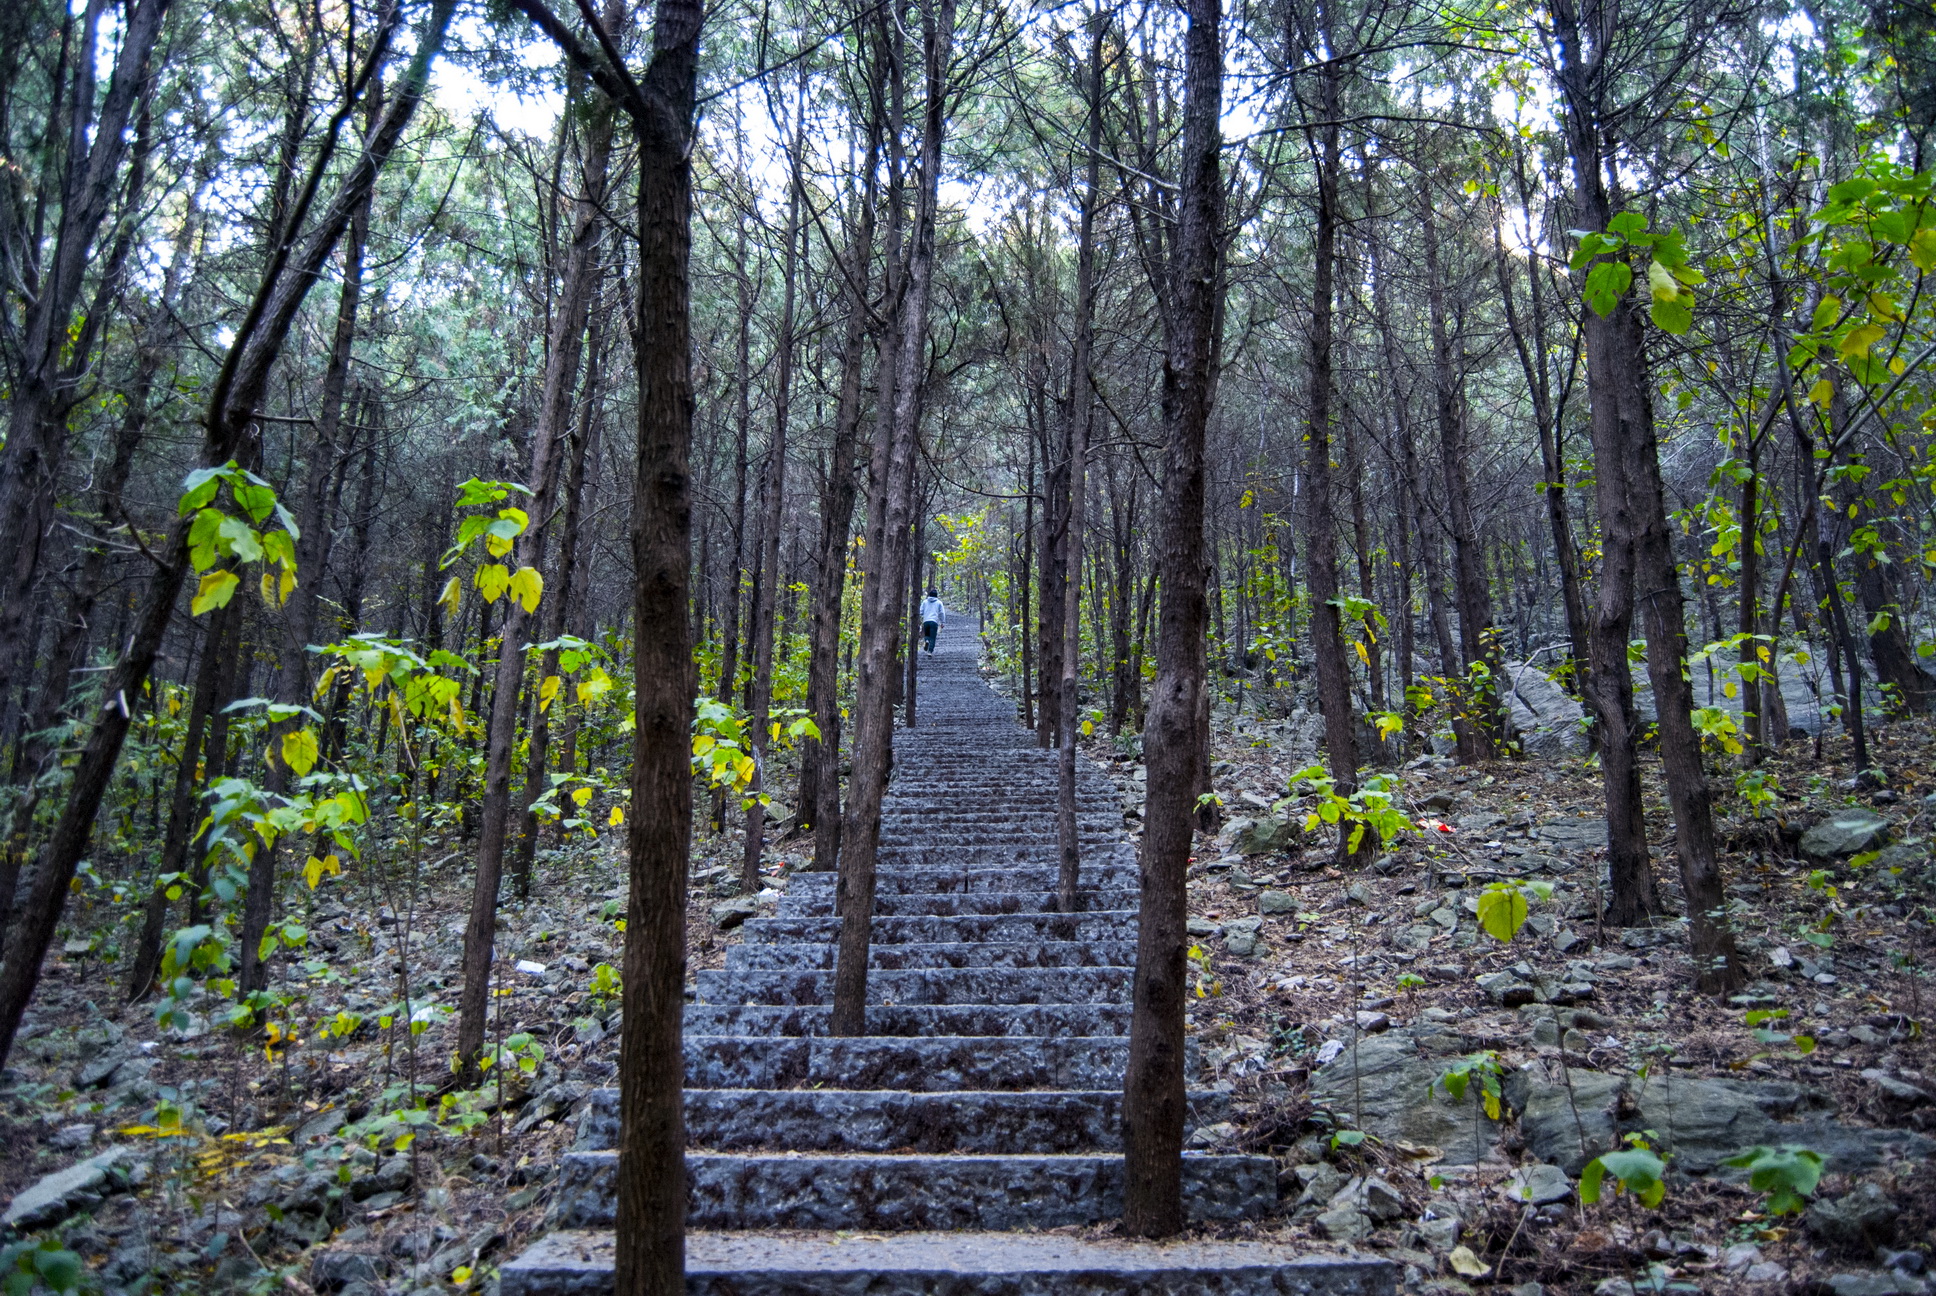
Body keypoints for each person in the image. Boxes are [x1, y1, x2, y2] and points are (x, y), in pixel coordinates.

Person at [918, 588, 945, 653]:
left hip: (926, 621)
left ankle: (926, 641)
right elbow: (942, 613)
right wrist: (942, 622)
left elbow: (920, 612)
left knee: (927, 635)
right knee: (933, 637)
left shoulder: (925, 602)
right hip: (934, 622)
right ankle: (930, 651)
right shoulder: (939, 603)